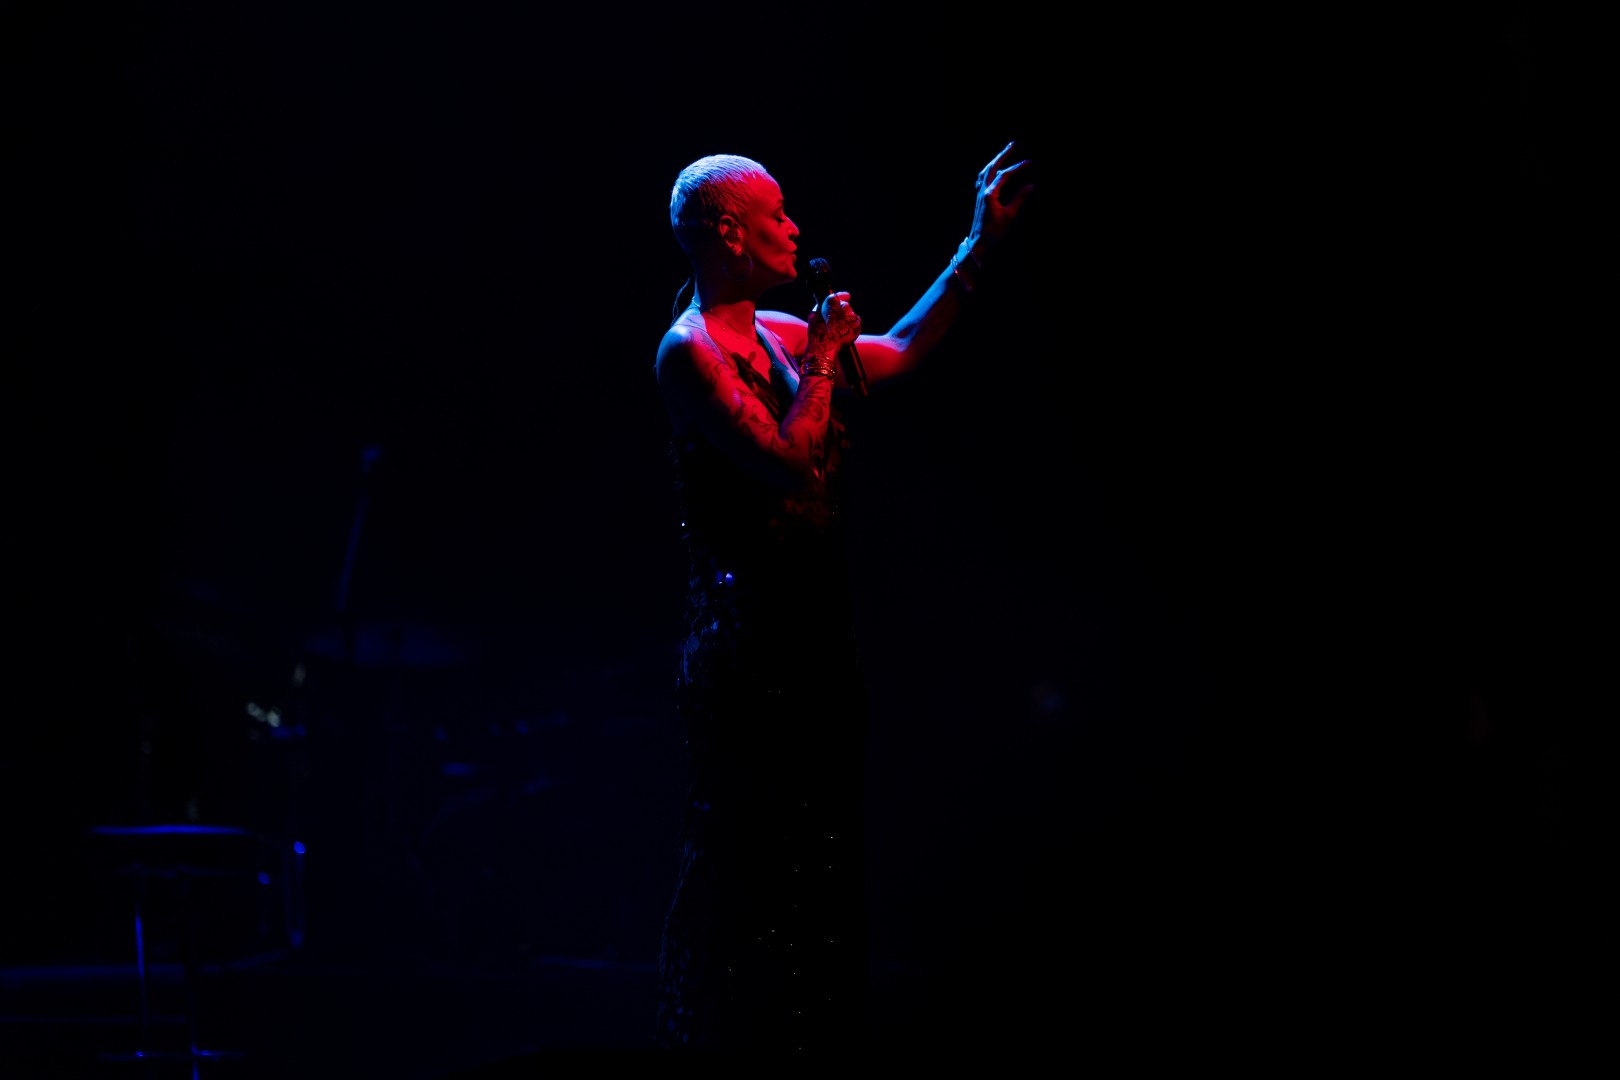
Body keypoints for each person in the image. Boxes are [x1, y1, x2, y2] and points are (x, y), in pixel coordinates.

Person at [652, 142, 1035, 1051]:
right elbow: (788, 463)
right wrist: (824, 356)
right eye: (777, 214)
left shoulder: (778, 333)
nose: (794, 229)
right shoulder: (690, 352)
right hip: (747, 650)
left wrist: (977, 245)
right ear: (729, 232)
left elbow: (897, 351)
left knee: (817, 855)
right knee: (751, 855)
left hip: (814, 632)